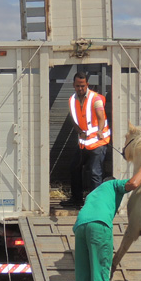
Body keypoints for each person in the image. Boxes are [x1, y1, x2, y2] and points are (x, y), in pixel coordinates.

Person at [61, 72, 111, 207]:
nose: (80, 89)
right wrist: (79, 132)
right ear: (73, 85)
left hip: (98, 142)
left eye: (83, 86)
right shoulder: (72, 100)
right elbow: (73, 118)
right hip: (84, 143)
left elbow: (101, 117)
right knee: (74, 167)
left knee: (95, 172)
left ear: (87, 85)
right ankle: (77, 198)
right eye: (78, 86)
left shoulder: (96, 99)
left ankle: (96, 205)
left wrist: (100, 131)